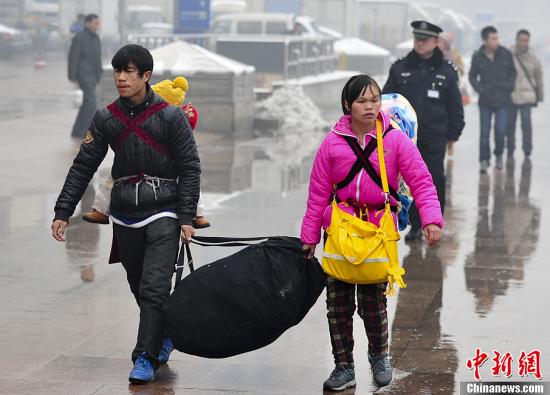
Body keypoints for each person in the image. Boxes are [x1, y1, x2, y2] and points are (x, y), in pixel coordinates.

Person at [51, 44, 201, 384]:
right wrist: (63, 210)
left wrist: (187, 216)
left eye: (128, 72)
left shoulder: (171, 117)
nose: (120, 78)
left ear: (145, 76)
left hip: (163, 210)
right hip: (125, 214)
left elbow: (190, 168)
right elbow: (83, 165)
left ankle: (144, 357)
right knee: (139, 284)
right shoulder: (106, 118)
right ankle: (162, 334)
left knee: (153, 286)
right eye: (117, 71)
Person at [301, 74, 443, 390]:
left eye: (374, 100)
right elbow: (318, 194)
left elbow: (421, 180)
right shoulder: (332, 143)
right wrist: (309, 237)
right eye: (362, 101)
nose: (369, 106)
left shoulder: (394, 140)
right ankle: (343, 367)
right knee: (337, 306)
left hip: (378, 232)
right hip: (339, 231)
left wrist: (431, 219)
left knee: (372, 303)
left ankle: (379, 356)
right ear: (347, 105)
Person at [82, 77, 210, 229]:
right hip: (134, 174)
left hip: (170, 165)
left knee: (190, 181)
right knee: (113, 179)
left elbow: (189, 131)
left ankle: (198, 214)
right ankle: (100, 210)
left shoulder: (177, 117)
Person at [383, 21, 464, 242]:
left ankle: (433, 222)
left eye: (424, 39)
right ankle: (415, 225)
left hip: (434, 138)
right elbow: (386, 102)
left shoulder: (446, 72)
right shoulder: (400, 68)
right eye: (417, 38)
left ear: (436, 42)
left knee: (433, 180)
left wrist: (453, 135)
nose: (419, 43)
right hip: (405, 140)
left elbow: (455, 107)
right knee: (407, 183)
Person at [468, 26, 517, 172]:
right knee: (484, 132)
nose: (496, 41)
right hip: (485, 101)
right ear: (485, 40)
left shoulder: (505, 53)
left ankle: (499, 155)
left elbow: (513, 73)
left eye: (497, 38)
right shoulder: (478, 56)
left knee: (501, 130)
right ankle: (484, 159)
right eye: (493, 38)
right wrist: (480, 89)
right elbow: (472, 76)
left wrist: (509, 86)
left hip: (503, 100)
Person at [507, 29, 544, 158]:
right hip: (511, 95)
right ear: (516, 40)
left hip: (527, 96)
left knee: (526, 124)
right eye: (521, 40)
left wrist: (540, 95)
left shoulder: (533, 58)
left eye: (526, 41)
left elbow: (539, 77)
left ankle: (527, 149)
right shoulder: (508, 55)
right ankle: (510, 147)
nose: (523, 43)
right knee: (510, 124)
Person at [68, 14, 103, 139]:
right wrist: (72, 76)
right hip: (83, 74)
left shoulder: (96, 38)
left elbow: (98, 58)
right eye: (95, 23)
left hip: (93, 75)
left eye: (98, 23)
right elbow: (73, 57)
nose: (97, 26)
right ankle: (83, 131)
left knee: (87, 103)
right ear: (88, 23)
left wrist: (99, 75)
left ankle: (77, 131)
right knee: (91, 102)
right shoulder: (79, 37)